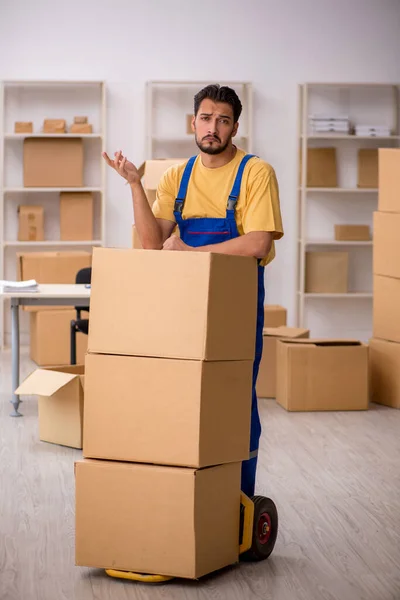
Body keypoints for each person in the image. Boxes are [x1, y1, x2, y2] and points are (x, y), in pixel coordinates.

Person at [102, 84, 284, 497]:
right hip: (181, 308)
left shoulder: (255, 172)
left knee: (234, 401)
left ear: (235, 126)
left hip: (234, 310)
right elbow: (151, 243)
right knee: (180, 400)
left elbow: (258, 243)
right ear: (193, 122)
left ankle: (237, 500)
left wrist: (189, 250)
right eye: (206, 118)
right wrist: (134, 185)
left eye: (223, 120)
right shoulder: (176, 176)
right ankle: (186, 501)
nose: (213, 128)